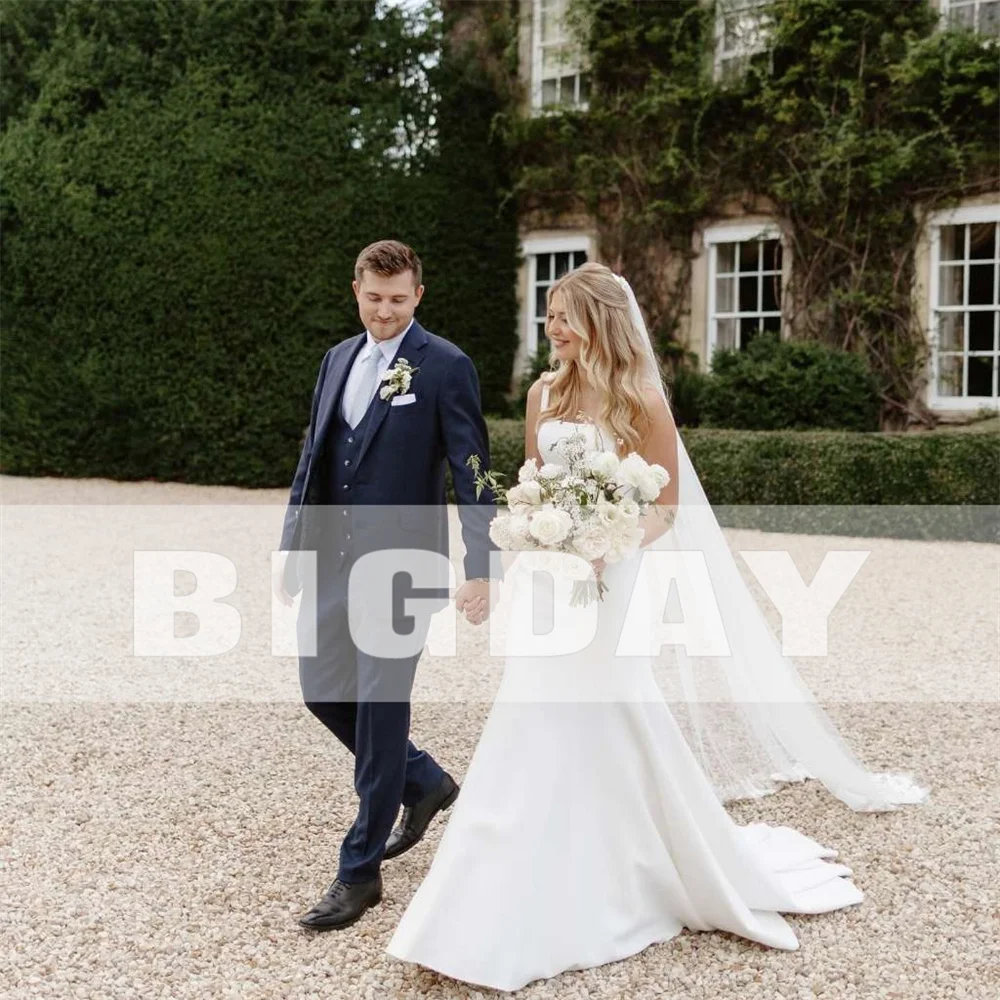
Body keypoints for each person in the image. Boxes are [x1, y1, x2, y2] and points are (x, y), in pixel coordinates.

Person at [385, 261, 928, 991]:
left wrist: (605, 542)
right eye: (548, 314)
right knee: (530, 711)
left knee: (609, 703)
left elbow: (664, 507)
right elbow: (529, 479)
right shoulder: (544, 393)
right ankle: (491, 885)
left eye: (564, 314)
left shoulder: (641, 399)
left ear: (600, 320)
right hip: (552, 579)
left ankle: (639, 862)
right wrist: (528, 538)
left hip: (612, 575)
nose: (552, 327)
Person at [274, 240, 501, 932]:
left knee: (378, 711)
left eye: (398, 300)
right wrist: (292, 546)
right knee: (321, 692)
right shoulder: (336, 359)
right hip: (333, 561)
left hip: (404, 569)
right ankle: (423, 779)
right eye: (374, 298)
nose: (384, 311)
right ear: (357, 291)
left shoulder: (446, 366)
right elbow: (314, 454)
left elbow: (473, 469)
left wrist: (482, 564)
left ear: (418, 297)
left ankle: (360, 870)